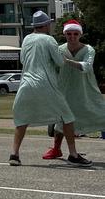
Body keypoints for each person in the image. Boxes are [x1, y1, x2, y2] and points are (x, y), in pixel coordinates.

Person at [9, 11, 91, 167]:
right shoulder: (49, 39)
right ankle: (73, 155)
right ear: (46, 25)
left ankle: (14, 154)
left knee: (22, 119)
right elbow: (59, 62)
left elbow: (22, 59)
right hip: (45, 84)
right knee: (67, 117)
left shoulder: (26, 39)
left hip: (26, 84)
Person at [42, 19, 105, 159]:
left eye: (75, 33)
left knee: (101, 114)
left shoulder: (89, 49)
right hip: (64, 89)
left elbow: (87, 66)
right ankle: (56, 149)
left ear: (80, 34)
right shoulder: (59, 49)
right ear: (65, 34)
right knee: (61, 120)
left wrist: (67, 61)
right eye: (69, 33)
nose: (72, 36)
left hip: (86, 90)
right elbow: (51, 68)